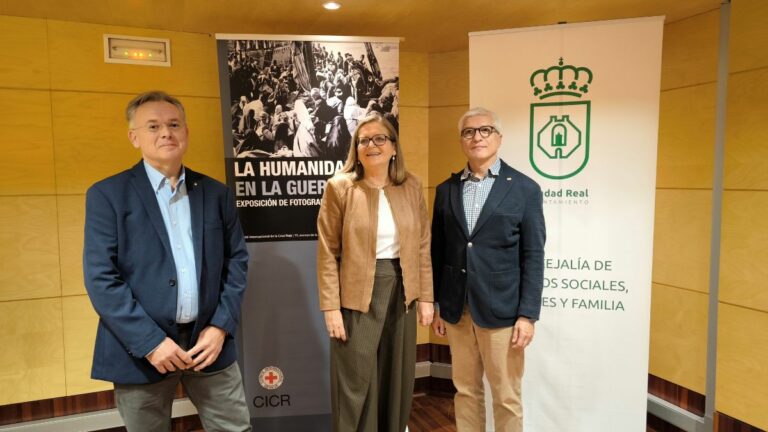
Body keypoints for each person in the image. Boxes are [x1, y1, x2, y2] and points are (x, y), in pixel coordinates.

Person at [83, 91, 251, 431]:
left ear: (186, 132)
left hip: (209, 344)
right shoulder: (107, 195)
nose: (166, 133)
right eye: (153, 126)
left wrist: (220, 327)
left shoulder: (216, 194)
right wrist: (150, 343)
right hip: (142, 351)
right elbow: (101, 278)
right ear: (134, 137)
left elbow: (237, 263)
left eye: (174, 124)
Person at [431, 107, 546, 432]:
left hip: (504, 313)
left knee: (506, 396)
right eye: (469, 132)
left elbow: (533, 255)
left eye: (484, 130)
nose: (476, 137)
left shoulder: (524, 189)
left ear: (499, 137)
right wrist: (440, 304)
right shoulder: (446, 191)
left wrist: (528, 315)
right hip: (458, 310)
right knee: (466, 391)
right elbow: (438, 253)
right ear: (461, 140)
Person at [317, 114, 434, 432]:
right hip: (357, 294)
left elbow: (423, 244)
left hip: (404, 291)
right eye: (364, 140)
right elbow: (328, 251)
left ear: (394, 146)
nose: (371, 145)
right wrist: (331, 307)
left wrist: (426, 298)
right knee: (355, 381)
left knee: (396, 377)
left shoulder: (410, 185)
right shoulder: (340, 187)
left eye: (380, 138)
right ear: (356, 148)